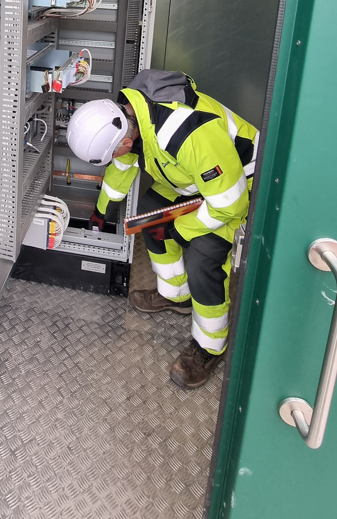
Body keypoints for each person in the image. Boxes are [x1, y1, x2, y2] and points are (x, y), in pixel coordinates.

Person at [66, 70, 258, 389]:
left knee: (204, 258)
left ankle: (210, 347)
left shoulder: (185, 132)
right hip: (192, 178)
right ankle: (177, 296)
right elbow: (121, 170)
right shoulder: (130, 120)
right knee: (149, 217)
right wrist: (100, 213)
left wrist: (182, 230)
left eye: (113, 153)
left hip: (240, 184)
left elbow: (230, 204)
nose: (116, 158)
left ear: (125, 141)